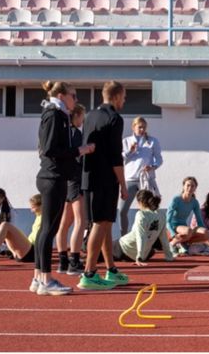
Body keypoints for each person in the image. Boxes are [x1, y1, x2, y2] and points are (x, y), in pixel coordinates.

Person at [33, 81, 94, 295]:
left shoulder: (57, 114)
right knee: (49, 229)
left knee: (46, 229)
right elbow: (50, 149)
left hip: (54, 176)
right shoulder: (54, 114)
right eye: (73, 96)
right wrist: (80, 150)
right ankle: (46, 280)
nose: (75, 100)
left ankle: (39, 277)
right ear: (61, 95)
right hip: (53, 177)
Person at [78, 81, 129, 290]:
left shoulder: (89, 116)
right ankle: (89, 273)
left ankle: (111, 269)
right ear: (117, 96)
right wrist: (123, 185)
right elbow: (116, 156)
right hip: (105, 178)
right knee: (99, 224)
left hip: (88, 177)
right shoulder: (115, 118)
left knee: (105, 223)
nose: (124, 101)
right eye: (124, 97)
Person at [56, 103, 88, 277]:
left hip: (66, 180)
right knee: (80, 221)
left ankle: (62, 260)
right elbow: (77, 155)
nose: (83, 119)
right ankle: (74, 261)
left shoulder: (64, 133)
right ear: (77, 116)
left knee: (64, 223)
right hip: (76, 179)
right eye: (82, 116)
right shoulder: (76, 134)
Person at [119, 116, 162, 235]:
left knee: (151, 209)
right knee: (122, 210)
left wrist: (152, 166)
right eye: (140, 127)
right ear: (133, 127)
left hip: (147, 179)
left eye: (144, 127)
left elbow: (159, 159)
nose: (142, 130)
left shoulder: (152, 141)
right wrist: (130, 151)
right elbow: (121, 158)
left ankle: (152, 236)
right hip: (130, 179)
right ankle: (124, 235)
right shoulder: (126, 141)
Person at [115, 189, 175, 265]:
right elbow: (163, 237)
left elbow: (141, 236)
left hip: (124, 248)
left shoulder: (141, 214)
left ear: (140, 202)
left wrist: (139, 257)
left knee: (103, 247)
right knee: (152, 249)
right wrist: (169, 256)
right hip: (145, 255)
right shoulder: (161, 214)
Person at [166, 176, 209, 254]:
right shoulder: (176, 199)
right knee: (188, 230)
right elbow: (167, 221)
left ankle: (184, 244)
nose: (190, 188)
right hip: (172, 228)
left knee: (206, 233)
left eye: (192, 186)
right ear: (183, 186)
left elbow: (199, 221)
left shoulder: (195, 202)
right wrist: (173, 234)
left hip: (185, 229)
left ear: (195, 188)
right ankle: (172, 244)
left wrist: (205, 233)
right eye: (188, 185)